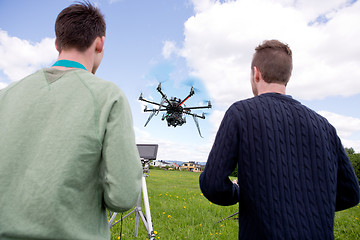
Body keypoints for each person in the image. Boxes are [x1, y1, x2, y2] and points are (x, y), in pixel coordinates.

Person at [0, 2, 142, 239]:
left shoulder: (6, 94)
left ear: (57, 43)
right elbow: (123, 196)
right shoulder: (109, 96)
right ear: (100, 43)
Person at [199, 39, 360, 239]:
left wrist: (241, 192)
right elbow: (351, 193)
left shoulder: (241, 113)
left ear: (256, 73)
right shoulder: (325, 125)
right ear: (287, 77)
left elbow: (213, 185)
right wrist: (308, 205)